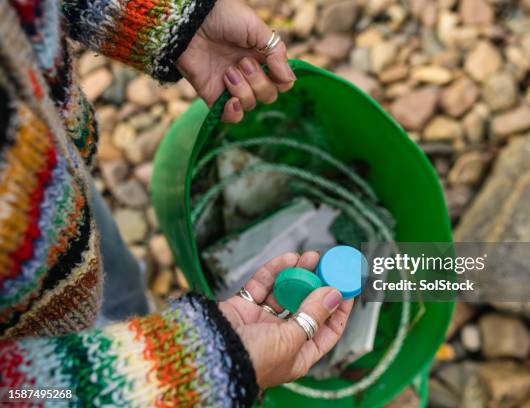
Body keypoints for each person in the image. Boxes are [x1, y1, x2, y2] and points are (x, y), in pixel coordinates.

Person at [0, 0, 353, 405]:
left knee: (116, 280)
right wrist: (193, 373)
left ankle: (126, 311)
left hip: (52, 183)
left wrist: (176, 20)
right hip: (20, 310)